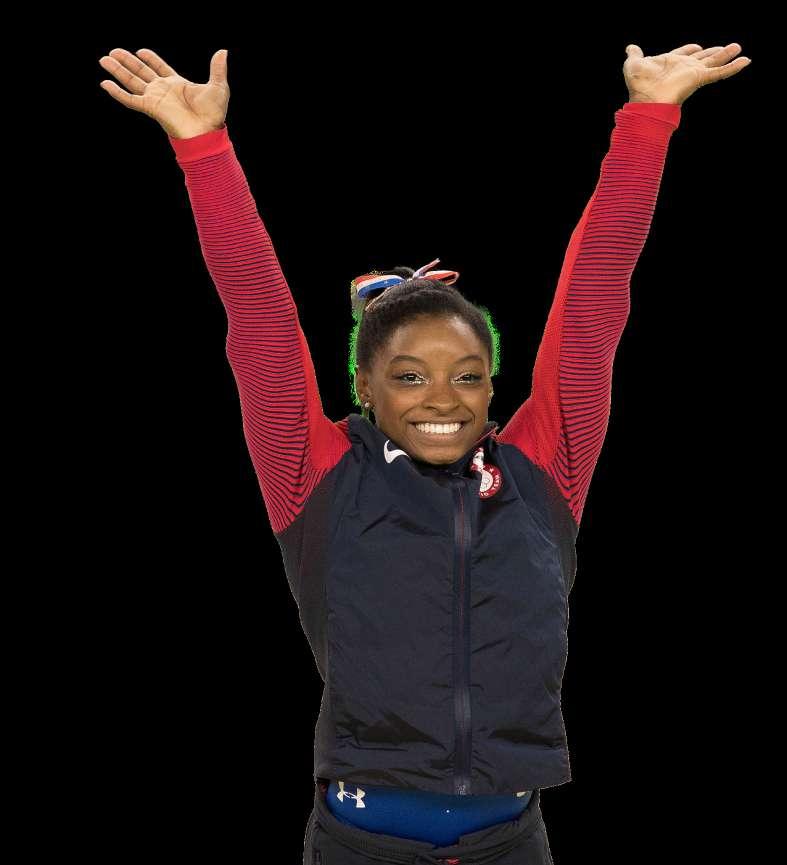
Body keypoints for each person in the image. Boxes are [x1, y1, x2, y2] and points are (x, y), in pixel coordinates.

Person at [99, 42, 751, 865]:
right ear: (364, 386)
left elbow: (593, 305)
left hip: (510, 841)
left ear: (489, 384)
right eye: (409, 376)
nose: (442, 398)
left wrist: (648, 118)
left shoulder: (542, 468)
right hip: (360, 844)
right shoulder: (319, 474)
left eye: (465, 375)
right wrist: (203, 147)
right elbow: (259, 318)